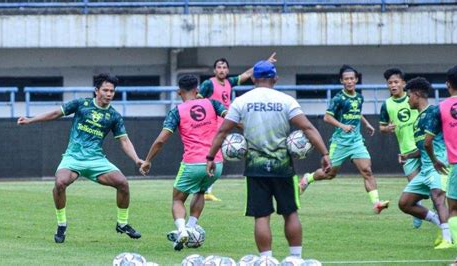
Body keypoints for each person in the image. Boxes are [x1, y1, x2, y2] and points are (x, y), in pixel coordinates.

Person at [205, 60, 331, 258]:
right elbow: (307, 128)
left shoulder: (241, 101)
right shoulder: (286, 100)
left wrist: (211, 156)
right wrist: (324, 154)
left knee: (261, 216)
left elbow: (223, 131)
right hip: (284, 167)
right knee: (290, 213)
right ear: (275, 79)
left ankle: (266, 260)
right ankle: (295, 259)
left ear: (254, 78)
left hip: (255, 169)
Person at [17, 73, 143, 243]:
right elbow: (56, 113)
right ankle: (62, 225)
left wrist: (136, 160)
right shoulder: (81, 104)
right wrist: (31, 120)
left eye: (112, 91)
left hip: (96, 160)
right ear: (96, 90)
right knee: (60, 183)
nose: (109, 94)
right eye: (105, 90)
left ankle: (122, 223)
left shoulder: (114, 116)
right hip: (73, 157)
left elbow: (124, 140)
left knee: (123, 184)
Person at [139, 74, 227, 251]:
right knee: (201, 191)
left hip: (193, 163)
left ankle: (182, 230)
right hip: (216, 162)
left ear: (179, 92)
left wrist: (148, 160)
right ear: (198, 90)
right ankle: (191, 226)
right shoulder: (212, 104)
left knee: (177, 200)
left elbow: (161, 140)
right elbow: (231, 117)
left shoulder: (177, 111)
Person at [299, 65, 390, 214]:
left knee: (367, 170)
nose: (349, 81)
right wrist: (342, 126)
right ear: (342, 81)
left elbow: (357, 113)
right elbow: (327, 117)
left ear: (356, 79)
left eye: (352, 78)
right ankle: (308, 178)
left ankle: (376, 203)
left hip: (356, 141)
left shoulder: (359, 97)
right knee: (329, 174)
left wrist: (366, 124)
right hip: (340, 142)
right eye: (346, 79)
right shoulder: (338, 98)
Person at [199, 53, 277, 202]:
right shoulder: (208, 84)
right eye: (219, 67)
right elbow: (198, 101)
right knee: (215, 155)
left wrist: (266, 62)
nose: (222, 70)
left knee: (225, 151)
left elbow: (248, 74)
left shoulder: (229, 82)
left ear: (227, 70)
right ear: (214, 71)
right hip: (212, 124)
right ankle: (205, 190)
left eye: (224, 67)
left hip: (227, 120)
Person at [397, 77, 452, 249]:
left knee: (438, 197)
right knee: (405, 203)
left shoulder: (436, 112)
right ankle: (439, 222)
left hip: (439, 166)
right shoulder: (417, 120)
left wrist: (438, 160)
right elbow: (422, 148)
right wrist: (407, 156)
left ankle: (448, 239)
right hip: (426, 169)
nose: (407, 99)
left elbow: (431, 143)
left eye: (409, 95)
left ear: (417, 94)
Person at [424, 65, 457, 265]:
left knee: (454, 211)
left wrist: (435, 160)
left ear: (447, 85)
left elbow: (427, 142)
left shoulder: (439, 109)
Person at [379, 68, 422, 228]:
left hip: (422, 147)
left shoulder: (413, 98)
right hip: (406, 151)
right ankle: (418, 212)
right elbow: (381, 127)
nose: (393, 85)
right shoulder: (387, 104)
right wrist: (387, 129)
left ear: (403, 83)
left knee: (432, 184)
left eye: (396, 82)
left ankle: (435, 208)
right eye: (390, 83)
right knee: (414, 187)